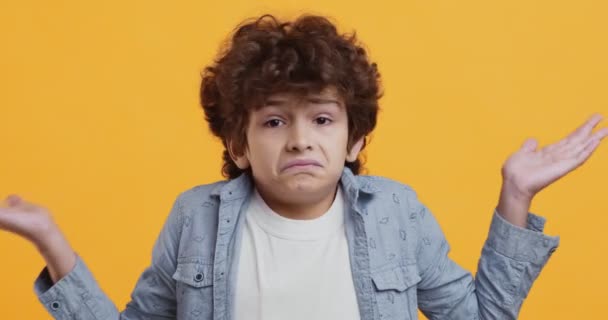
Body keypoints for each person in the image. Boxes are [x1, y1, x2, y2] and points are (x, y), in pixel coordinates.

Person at [1, 13, 606, 320]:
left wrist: (515, 199)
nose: (298, 140)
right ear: (238, 145)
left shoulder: (398, 211)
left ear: (351, 139)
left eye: (321, 119)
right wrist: (50, 239)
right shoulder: (195, 217)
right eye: (272, 121)